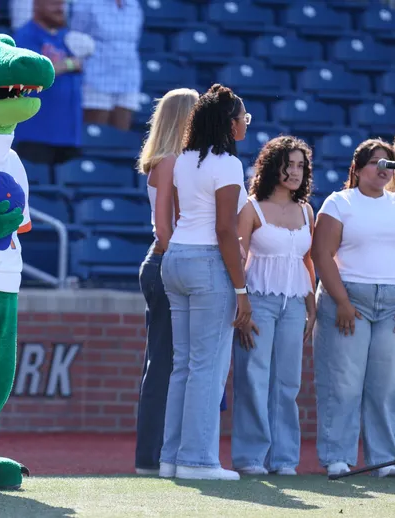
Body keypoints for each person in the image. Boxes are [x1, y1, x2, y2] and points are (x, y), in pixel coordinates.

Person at [157, 83, 251, 481]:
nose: (246, 123)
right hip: (207, 262)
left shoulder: (181, 160)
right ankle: (197, 461)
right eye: (243, 117)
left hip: (176, 257)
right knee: (208, 367)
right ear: (230, 124)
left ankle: (171, 459)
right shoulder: (227, 163)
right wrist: (242, 290)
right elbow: (226, 230)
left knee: (184, 366)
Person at [311, 138, 395, 478]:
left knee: (387, 385)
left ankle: (384, 460)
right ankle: (337, 457)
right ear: (358, 168)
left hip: (391, 305)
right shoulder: (339, 203)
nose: (383, 169)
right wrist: (343, 302)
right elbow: (322, 255)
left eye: (389, 163)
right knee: (343, 382)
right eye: (376, 162)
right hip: (348, 300)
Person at [232, 136, 316, 476]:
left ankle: (284, 460)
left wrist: (311, 306)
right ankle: (250, 458)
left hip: (295, 304)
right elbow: (237, 257)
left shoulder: (307, 210)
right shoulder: (250, 208)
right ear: (272, 166)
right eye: (288, 164)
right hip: (258, 302)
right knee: (253, 378)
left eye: (300, 165)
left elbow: (307, 261)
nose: (294, 171)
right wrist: (243, 305)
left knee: (288, 384)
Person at [134, 88, 199, 475]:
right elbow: (165, 228)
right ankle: (152, 457)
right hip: (166, 262)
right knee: (164, 366)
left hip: (163, 261)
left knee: (168, 363)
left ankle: (162, 454)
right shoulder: (170, 161)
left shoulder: (172, 160)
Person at [13, 0, 86, 178]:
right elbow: (33, 73)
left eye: (62, 4)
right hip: (35, 134)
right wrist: (69, 64)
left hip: (68, 135)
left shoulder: (68, 38)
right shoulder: (25, 35)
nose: (60, 8)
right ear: (36, 6)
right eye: (53, 3)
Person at [69, 0, 143, 131]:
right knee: (96, 133)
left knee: (120, 136)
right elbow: (75, 38)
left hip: (128, 78)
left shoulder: (134, 4)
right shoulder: (86, 3)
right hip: (95, 78)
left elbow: (135, 39)